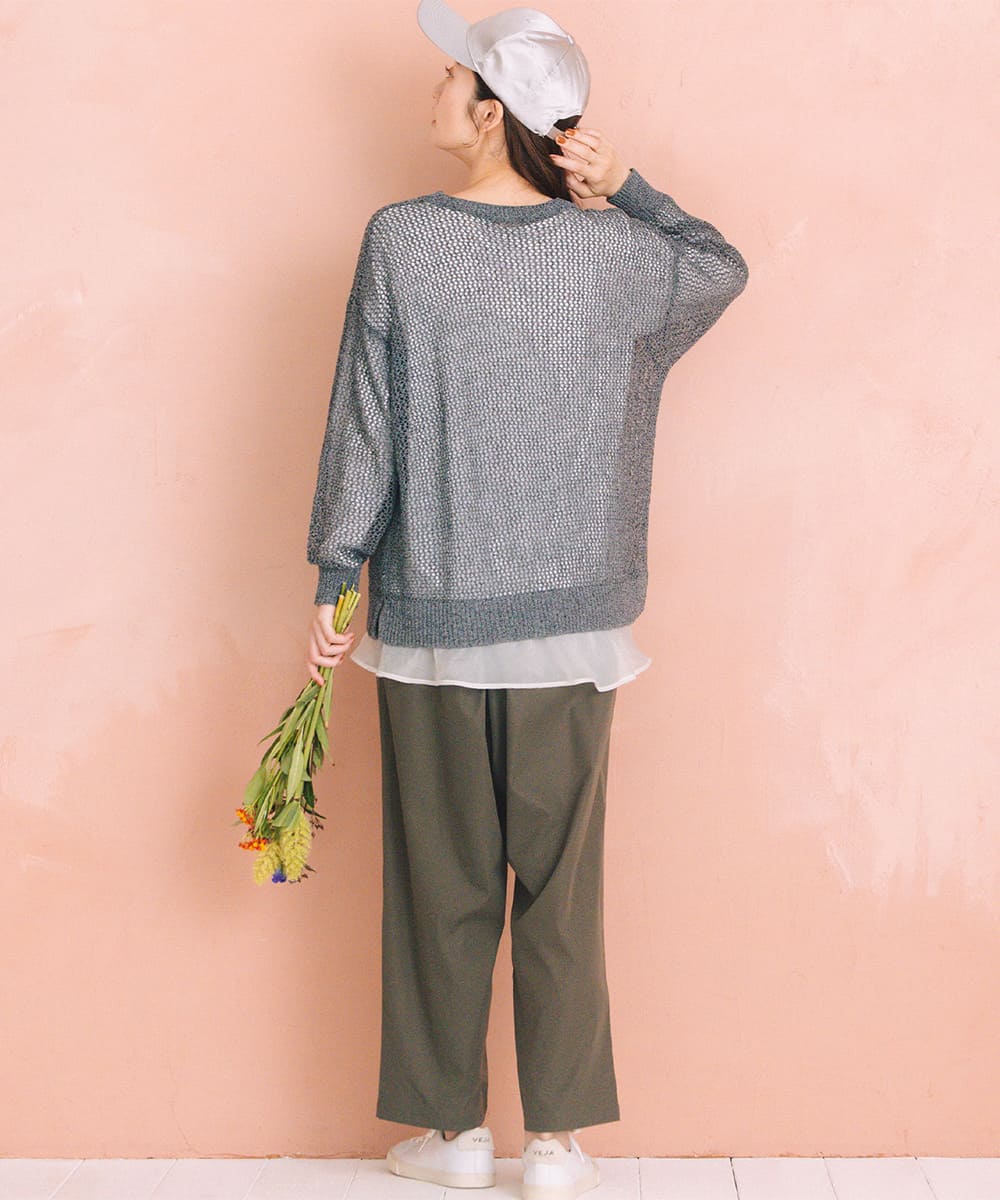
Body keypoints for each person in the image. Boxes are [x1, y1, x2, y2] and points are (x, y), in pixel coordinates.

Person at [304, 1, 749, 1195]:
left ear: (492, 112)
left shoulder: (401, 239)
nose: (433, 92)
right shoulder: (618, 255)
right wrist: (629, 187)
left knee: (441, 883)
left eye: (451, 77)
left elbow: (365, 421)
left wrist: (339, 572)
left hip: (438, 624)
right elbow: (720, 265)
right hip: (575, 628)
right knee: (562, 888)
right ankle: (554, 1142)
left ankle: (452, 1132)